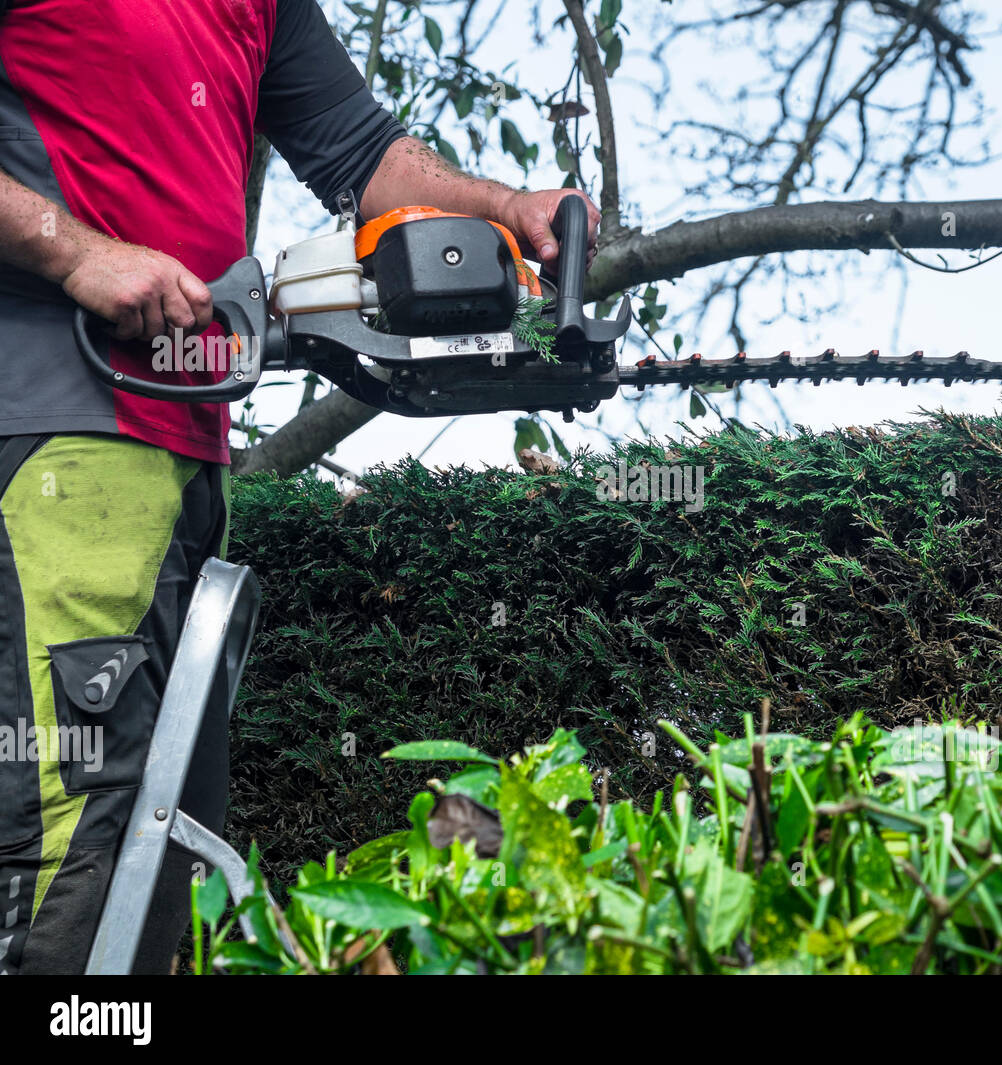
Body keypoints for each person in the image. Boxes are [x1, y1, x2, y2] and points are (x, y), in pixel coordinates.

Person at [0, 0, 599, 975]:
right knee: (70, 833)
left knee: (153, 861)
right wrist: (77, 251)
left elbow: (363, 154)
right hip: (44, 434)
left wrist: (500, 207)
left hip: (181, 448)